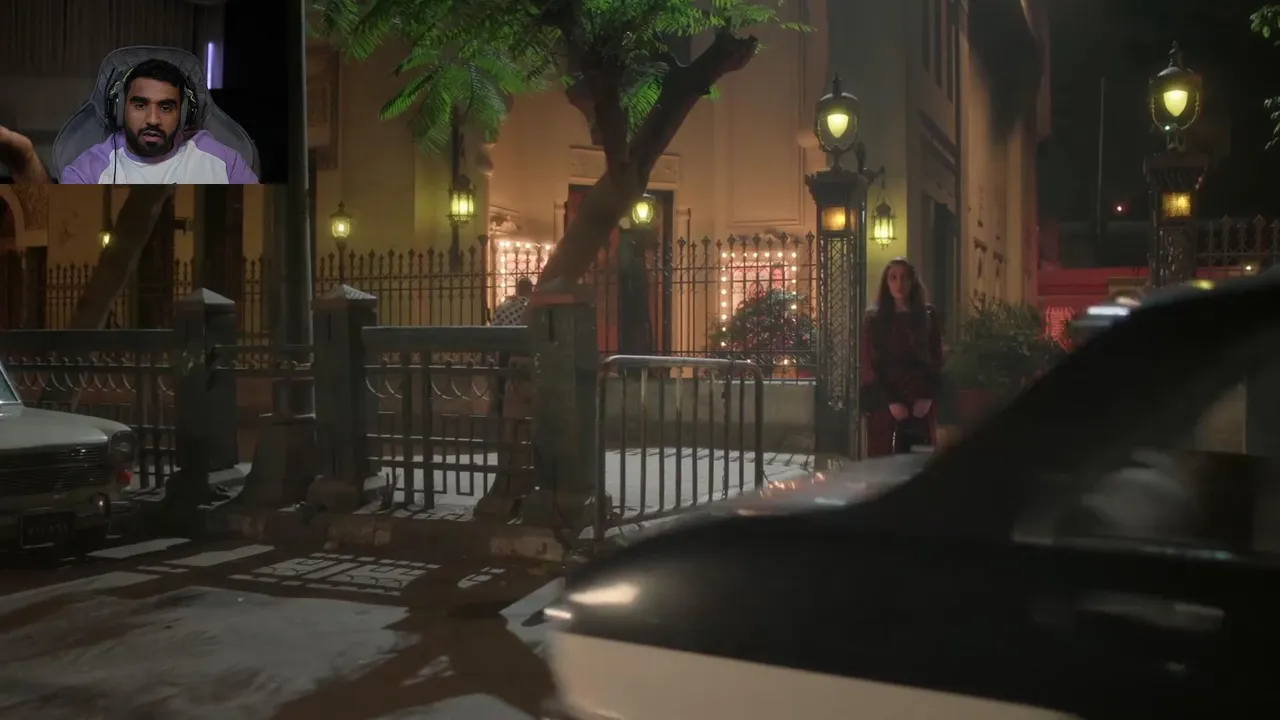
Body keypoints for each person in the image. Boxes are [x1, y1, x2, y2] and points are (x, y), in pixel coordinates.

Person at [860, 257, 943, 457]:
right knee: (883, 458)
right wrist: (890, 401)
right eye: (893, 278)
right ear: (886, 283)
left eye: (904, 277)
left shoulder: (927, 316)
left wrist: (927, 396)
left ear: (912, 282)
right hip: (885, 399)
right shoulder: (874, 320)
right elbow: (869, 364)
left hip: (919, 400)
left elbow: (936, 358)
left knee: (918, 459)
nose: (899, 283)